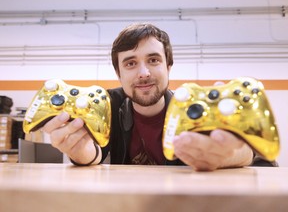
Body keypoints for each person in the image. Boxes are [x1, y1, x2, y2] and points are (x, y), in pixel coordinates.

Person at [43, 23, 260, 171]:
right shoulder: (106, 105)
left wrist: (232, 154)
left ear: (169, 67)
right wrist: (83, 155)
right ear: (119, 74)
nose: (143, 73)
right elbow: (93, 153)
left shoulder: (193, 109)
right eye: (130, 63)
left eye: (153, 60)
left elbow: (265, 162)